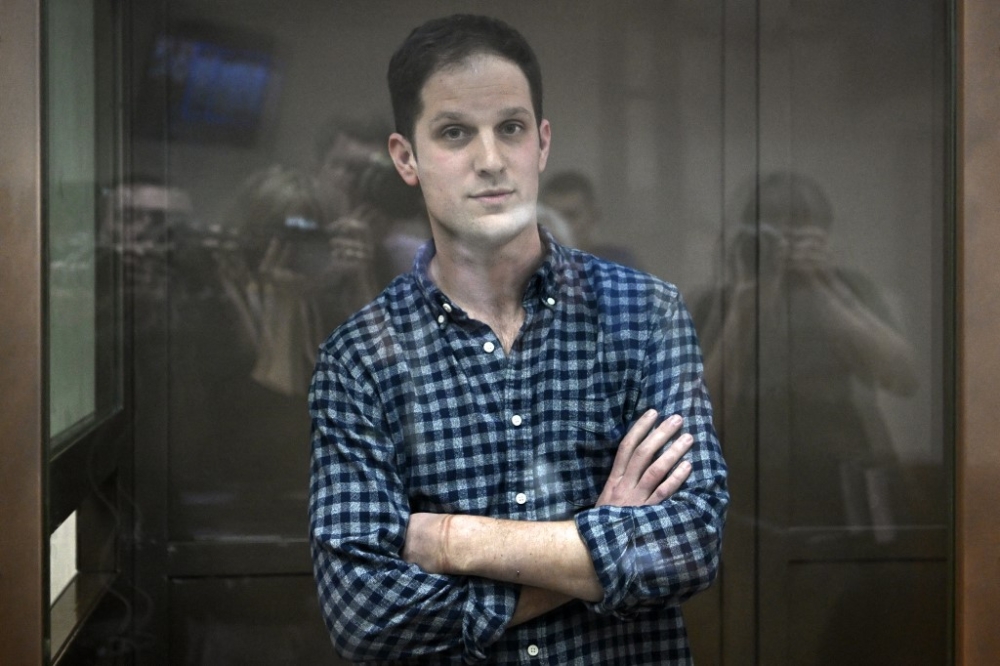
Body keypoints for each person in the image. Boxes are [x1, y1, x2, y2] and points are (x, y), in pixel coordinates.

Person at [308, 14, 728, 665]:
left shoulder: (643, 314)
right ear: (405, 158)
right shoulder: (360, 357)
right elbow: (365, 613)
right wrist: (600, 539)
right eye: (454, 133)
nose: (491, 160)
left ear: (543, 142)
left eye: (511, 128)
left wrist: (456, 542)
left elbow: (690, 542)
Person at [540, 170, 641, 268]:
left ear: (593, 217)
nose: (560, 224)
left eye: (570, 216)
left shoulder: (619, 262)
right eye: (552, 216)